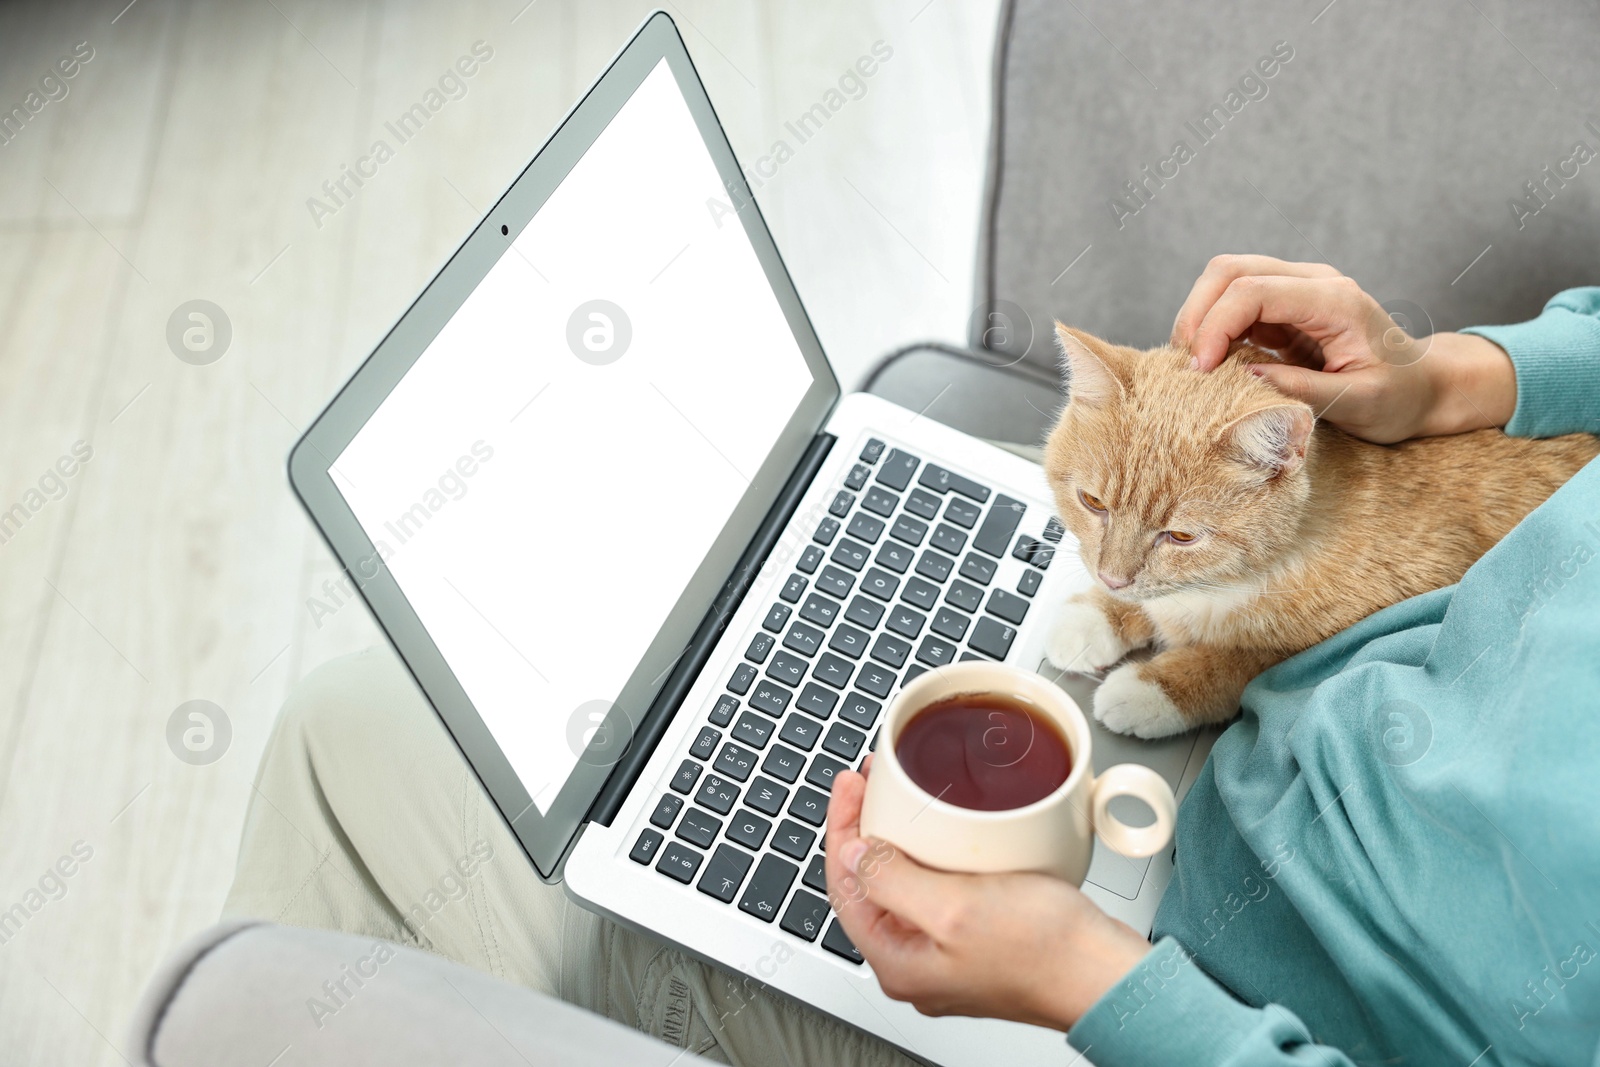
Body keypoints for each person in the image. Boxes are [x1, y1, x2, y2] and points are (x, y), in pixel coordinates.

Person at [226, 258, 1600, 1066]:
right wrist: (1459, 380)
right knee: (755, 539)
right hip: (1301, 679)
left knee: (349, 737)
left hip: (1200, 991)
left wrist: (1096, 989)